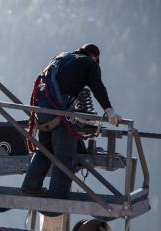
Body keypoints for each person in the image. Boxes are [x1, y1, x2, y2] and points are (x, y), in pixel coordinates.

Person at [21, 43, 121, 201]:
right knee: (64, 157)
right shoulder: (90, 64)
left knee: (45, 150)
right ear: (95, 57)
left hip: (42, 111)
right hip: (59, 114)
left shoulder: (61, 57)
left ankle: (30, 186)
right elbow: (97, 86)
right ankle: (58, 197)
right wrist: (108, 109)